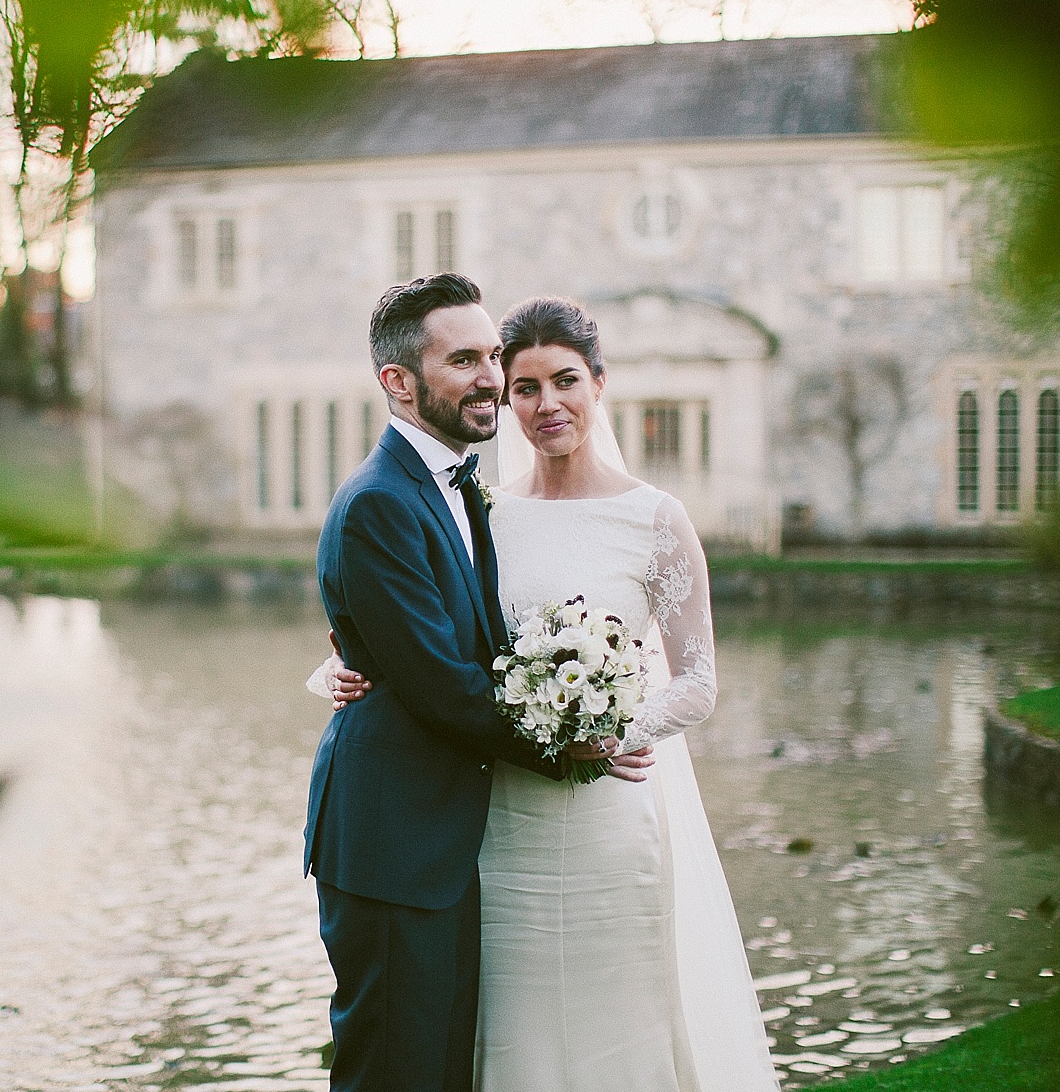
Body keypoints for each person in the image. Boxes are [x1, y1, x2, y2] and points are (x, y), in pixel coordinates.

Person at [314, 294, 779, 1091]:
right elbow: (431, 637)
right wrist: (342, 663)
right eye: (522, 384)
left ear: (600, 384)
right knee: (503, 1029)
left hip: (606, 799)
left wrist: (607, 728)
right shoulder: (488, 507)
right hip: (498, 822)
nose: (537, 401)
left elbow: (698, 682)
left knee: (618, 1019)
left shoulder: (656, 520)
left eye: (561, 380)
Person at [304, 274, 646, 1092]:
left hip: (442, 836)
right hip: (393, 839)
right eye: (465, 359)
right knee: (393, 1067)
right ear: (400, 381)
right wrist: (573, 750)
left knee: (444, 1065)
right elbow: (447, 688)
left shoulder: (457, 486)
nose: (493, 377)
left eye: (493, 355)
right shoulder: (381, 504)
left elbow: (467, 643)